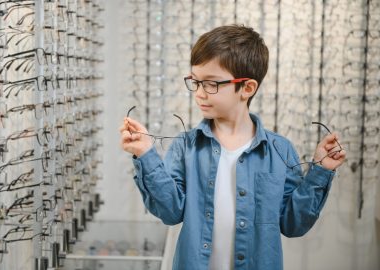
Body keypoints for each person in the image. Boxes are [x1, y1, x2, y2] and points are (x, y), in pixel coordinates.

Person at [120, 25, 346, 270]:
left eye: (211, 84)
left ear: (247, 88)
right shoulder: (185, 146)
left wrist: (320, 171)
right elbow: (170, 212)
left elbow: (293, 224)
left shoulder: (280, 150)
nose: (199, 93)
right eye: (195, 82)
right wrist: (145, 154)